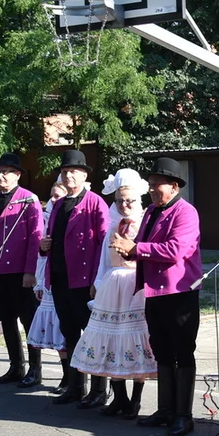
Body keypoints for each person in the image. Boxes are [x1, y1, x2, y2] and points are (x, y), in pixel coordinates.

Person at [111, 157, 202, 436]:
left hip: (179, 292)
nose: (151, 190)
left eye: (156, 185)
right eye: (149, 185)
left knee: (182, 352)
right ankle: (165, 410)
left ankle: (183, 416)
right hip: (155, 292)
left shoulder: (186, 212)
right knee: (161, 351)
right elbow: (144, 248)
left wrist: (136, 248)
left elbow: (175, 250)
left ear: (174, 186)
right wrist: (129, 250)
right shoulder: (151, 211)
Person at [70, 168, 156, 417]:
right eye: (120, 200)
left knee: (134, 338)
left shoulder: (145, 222)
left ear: (138, 200)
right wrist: (98, 282)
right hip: (112, 285)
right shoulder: (112, 224)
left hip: (135, 285)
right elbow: (103, 260)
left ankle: (136, 400)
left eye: (129, 200)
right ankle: (119, 397)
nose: (125, 205)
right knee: (111, 339)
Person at [40, 149, 110, 405]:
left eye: (74, 171)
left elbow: (103, 245)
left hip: (84, 281)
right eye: (65, 171)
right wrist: (43, 245)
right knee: (69, 333)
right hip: (60, 277)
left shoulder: (95, 202)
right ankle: (75, 385)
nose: (69, 175)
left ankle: (98, 390)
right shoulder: (58, 204)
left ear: (83, 175)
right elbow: (51, 237)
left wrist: (97, 280)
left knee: (92, 334)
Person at [0, 153, 44, 385]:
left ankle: (35, 369)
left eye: (6, 172)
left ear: (17, 175)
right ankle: (16, 366)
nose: (1, 176)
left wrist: (30, 271)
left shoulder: (29, 199)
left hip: (20, 271)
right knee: (6, 319)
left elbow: (36, 239)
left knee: (28, 320)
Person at [24, 180, 68, 389]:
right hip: (49, 280)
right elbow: (42, 257)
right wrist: (40, 283)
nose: (53, 200)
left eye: (58, 196)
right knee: (58, 330)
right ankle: (65, 374)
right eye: (51, 195)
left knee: (67, 329)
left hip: (67, 280)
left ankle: (74, 377)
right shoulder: (46, 219)